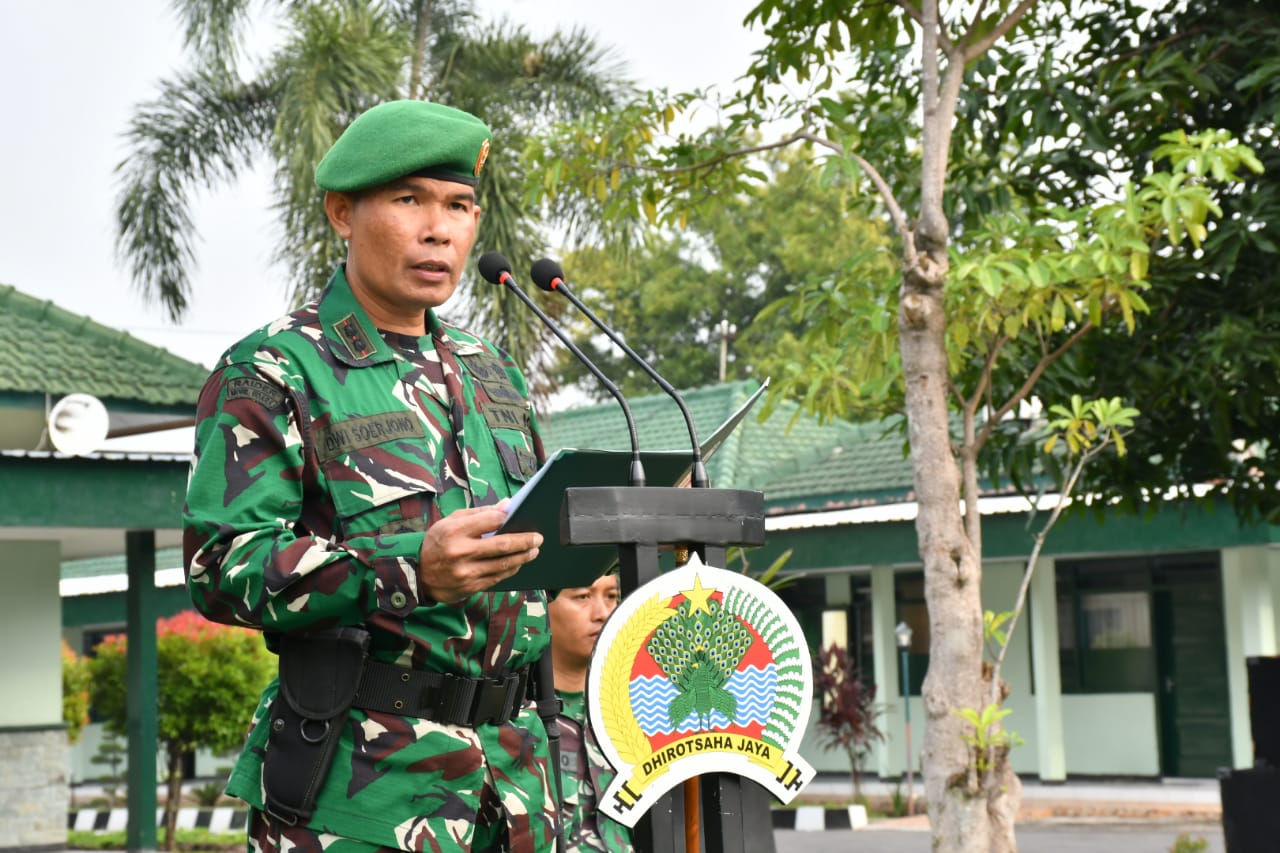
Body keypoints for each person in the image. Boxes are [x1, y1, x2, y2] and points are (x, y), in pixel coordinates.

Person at [183, 100, 558, 853]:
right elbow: (223, 567)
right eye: (409, 199)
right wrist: (403, 571)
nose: (438, 228)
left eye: (458, 205)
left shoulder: (493, 374)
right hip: (362, 789)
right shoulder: (277, 368)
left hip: (517, 788)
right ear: (342, 213)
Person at [547, 574, 632, 852]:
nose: (603, 613)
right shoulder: (513, 715)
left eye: (611, 596)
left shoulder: (638, 708)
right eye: (582, 596)